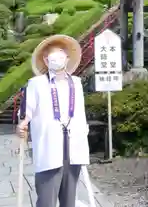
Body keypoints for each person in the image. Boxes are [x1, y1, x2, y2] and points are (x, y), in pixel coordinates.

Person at [17, 34, 90, 207]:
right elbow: (27, 110)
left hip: (73, 148)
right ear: (45, 59)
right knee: (46, 201)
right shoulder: (36, 83)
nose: (57, 57)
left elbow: (79, 112)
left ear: (67, 58)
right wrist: (23, 124)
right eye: (52, 54)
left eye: (61, 53)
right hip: (48, 147)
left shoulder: (77, 83)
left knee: (69, 201)